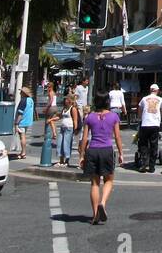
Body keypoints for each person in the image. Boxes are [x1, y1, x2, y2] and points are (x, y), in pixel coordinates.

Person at [80, 90, 123, 225]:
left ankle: (94, 215)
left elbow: (85, 138)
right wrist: (121, 153)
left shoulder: (90, 117)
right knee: (109, 180)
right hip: (106, 150)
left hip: (92, 150)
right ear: (107, 102)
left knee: (94, 183)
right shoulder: (114, 116)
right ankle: (103, 203)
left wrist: (81, 155)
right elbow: (117, 136)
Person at [136, 83, 162, 173]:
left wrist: (140, 117)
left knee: (143, 144)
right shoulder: (160, 99)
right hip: (155, 124)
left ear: (150, 90)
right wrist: (160, 116)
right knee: (154, 145)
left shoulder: (144, 99)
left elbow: (139, 108)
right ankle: (152, 166)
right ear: (157, 91)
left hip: (145, 123)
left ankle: (144, 163)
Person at [48, 91, 80, 166]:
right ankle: (61, 160)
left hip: (69, 128)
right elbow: (60, 116)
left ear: (69, 101)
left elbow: (75, 120)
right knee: (60, 143)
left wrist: (75, 130)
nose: (65, 100)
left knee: (66, 144)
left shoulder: (73, 109)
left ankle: (66, 161)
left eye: (66, 99)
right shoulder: (64, 108)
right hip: (63, 128)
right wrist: (52, 119)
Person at [13, 87, 34, 160]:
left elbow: (20, 113)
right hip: (28, 120)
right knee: (23, 136)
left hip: (22, 121)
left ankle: (23, 152)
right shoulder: (30, 100)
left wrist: (16, 123)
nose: (20, 93)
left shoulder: (23, 100)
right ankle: (23, 152)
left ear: (24, 93)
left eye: (21, 92)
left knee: (22, 136)